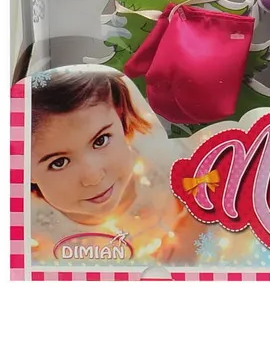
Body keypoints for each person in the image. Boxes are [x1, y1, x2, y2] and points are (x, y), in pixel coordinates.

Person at [29, 65, 205, 265]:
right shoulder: (25, 225)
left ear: (120, 117)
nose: (94, 177)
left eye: (101, 140)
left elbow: (209, 188)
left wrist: (189, 233)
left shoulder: (162, 157)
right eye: (59, 162)